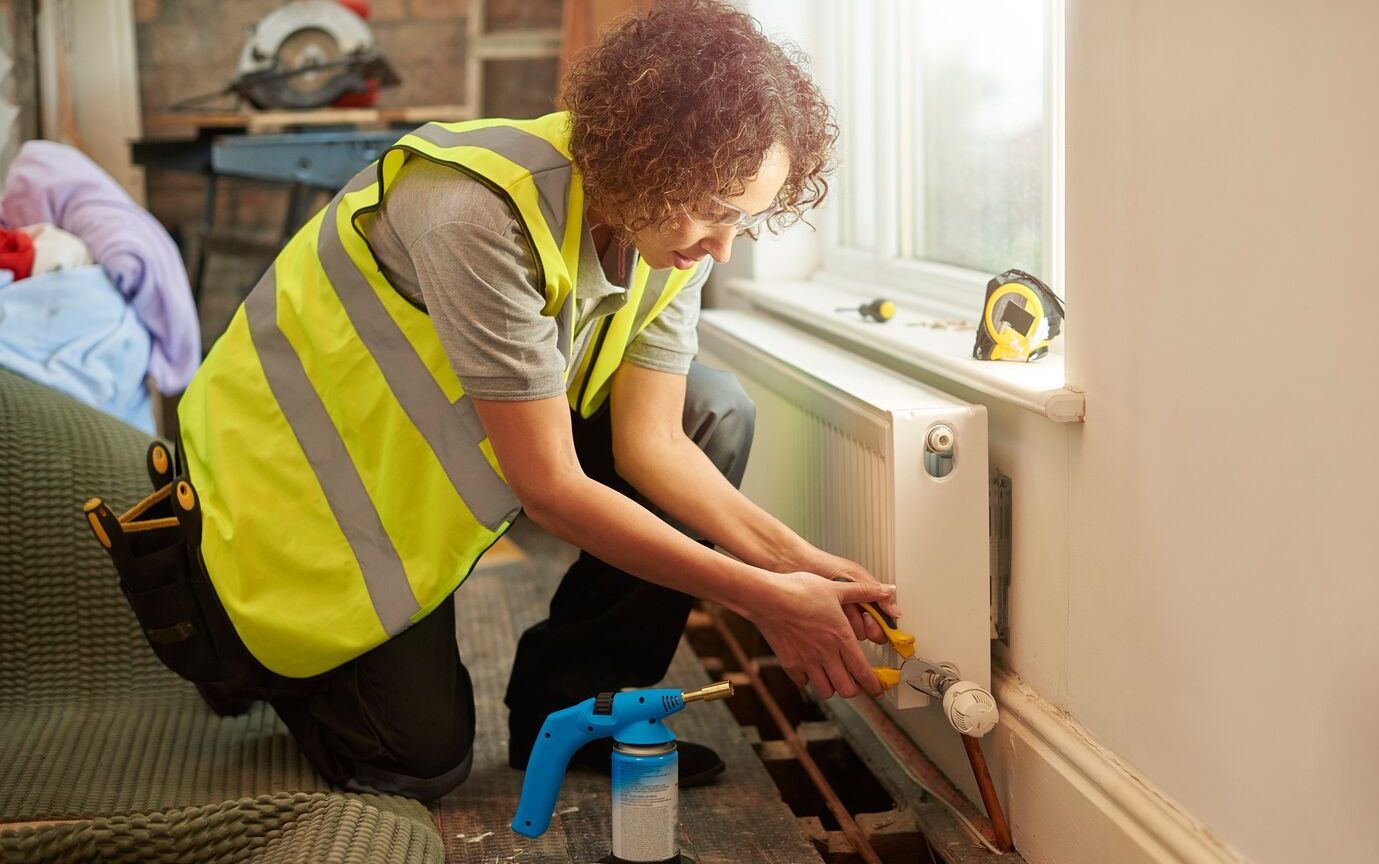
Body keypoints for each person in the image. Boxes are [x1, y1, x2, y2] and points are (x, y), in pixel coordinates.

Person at [104, 0, 900, 801]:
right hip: (293, 506)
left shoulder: (668, 232)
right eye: (716, 211)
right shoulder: (474, 210)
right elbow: (550, 488)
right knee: (418, 764)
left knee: (712, 408)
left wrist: (801, 566)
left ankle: (578, 704)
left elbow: (654, 444)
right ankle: (251, 658)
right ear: (649, 156)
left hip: (424, 482)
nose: (723, 247)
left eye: (745, 220)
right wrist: (764, 597)